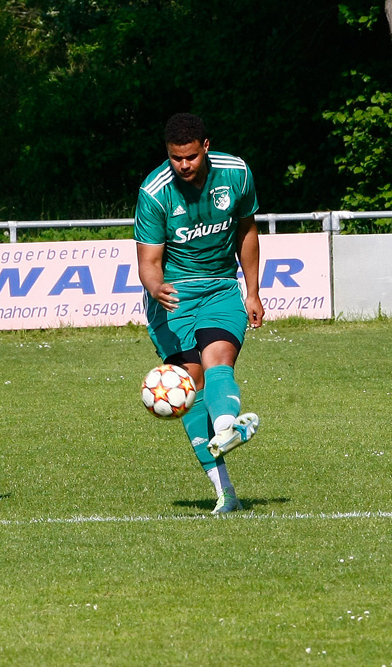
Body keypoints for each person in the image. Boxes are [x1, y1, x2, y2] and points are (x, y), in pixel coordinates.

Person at [135, 113, 263, 514]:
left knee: (218, 357)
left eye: (190, 156)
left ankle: (226, 427)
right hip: (173, 296)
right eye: (175, 158)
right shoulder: (154, 193)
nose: (183, 165)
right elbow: (148, 261)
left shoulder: (236, 173)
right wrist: (155, 287)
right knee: (190, 387)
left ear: (205, 146)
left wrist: (253, 291)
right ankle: (225, 491)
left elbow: (247, 231)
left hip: (222, 287)